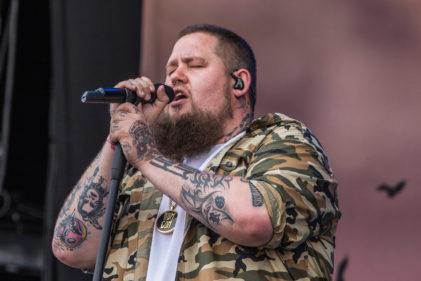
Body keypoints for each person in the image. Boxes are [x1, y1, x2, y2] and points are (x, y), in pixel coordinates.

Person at [52, 24, 341, 281]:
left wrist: (147, 157)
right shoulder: (143, 168)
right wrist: (117, 139)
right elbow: (70, 247)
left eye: (194, 65)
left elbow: (255, 220)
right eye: (171, 68)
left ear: (239, 82)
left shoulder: (282, 140)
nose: (175, 76)